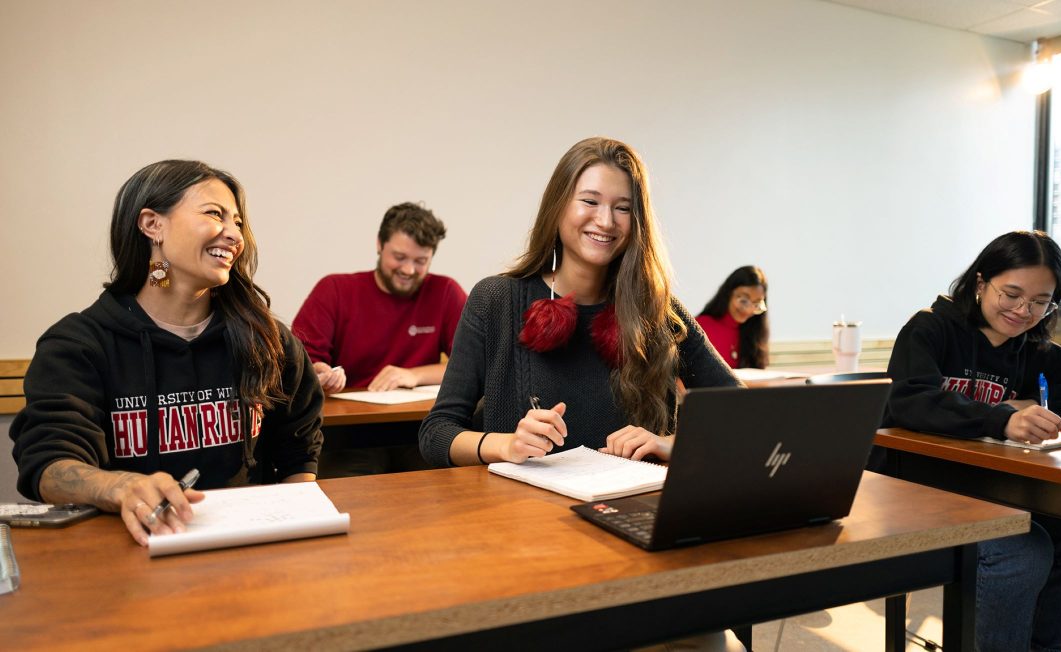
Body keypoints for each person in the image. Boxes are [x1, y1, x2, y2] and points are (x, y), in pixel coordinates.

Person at [419, 136, 744, 650]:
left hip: (642, 544)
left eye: (623, 208)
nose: (606, 221)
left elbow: (744, 416)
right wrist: (503, 444)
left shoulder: (662, 312)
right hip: (529, 551)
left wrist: (671, 446)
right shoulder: (496, 299)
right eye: (590, 201)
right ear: (560, 206)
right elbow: (437, 433)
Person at [10, 160, 324, 547]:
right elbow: (48, 467)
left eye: (238, 223)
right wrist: (122, 487)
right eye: (214, 214)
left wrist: (304, 529)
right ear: (152, 225)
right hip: (130, 553)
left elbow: (298, 447)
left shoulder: (265, 338)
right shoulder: (78, 345)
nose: (233, 235)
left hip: (249, 551)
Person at [883, 230, 1061, 652]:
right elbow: (909, 400)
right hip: (919, 488)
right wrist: (1002, 419)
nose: (1022, 310)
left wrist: (1031, 401)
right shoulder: (931, 328)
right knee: (1024, 552)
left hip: (997, 487)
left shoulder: (1033, 349)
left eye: (1039, 302)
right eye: (1011, 293)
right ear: (980, 282)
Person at [292, 201, 466, 394]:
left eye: (420, 261)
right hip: (346, 417)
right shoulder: (334, 290)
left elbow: (475, 365)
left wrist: (414, 375)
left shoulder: (445, 292)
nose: (408, 270)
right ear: (380, 244)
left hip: (419, 419)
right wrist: (320, 374)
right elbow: (297, 364)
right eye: (399, 257)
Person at [696, 266, 769, 369]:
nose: (748, 309)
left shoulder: (755, 332)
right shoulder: (700, 327)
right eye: (744, 300)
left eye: (756, 303)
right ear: (728, 294)